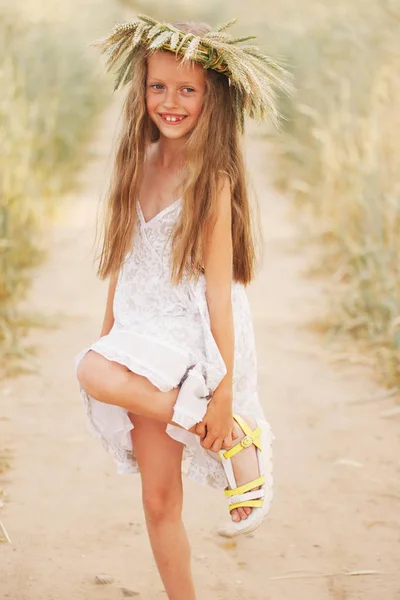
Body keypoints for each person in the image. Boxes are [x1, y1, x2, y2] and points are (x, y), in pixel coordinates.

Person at [76, 14, 290, 600]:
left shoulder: (210, 179)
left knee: (90, 370)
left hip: (186, 341)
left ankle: (227, 427)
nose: (170, 102)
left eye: (187, 89)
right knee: (157, 497)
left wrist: (222, 392)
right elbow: (123, 265)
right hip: (139, 332)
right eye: (158, 86)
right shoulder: (136, 164)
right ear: (141, 89)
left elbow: (219, 294)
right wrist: (108, 333)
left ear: (211, 96)